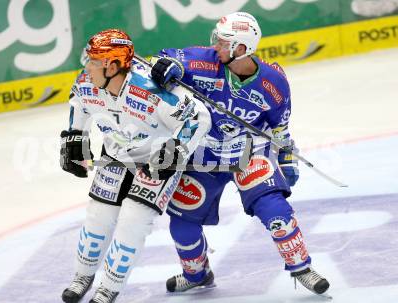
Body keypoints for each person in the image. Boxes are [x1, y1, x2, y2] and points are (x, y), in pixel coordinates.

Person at [149, 12, 330, 296]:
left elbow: (280, 126)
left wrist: (285, 157)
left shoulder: (274, 82)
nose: (216, 47)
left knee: (276, 209)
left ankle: (301, 267)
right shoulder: (201, 60)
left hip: (247, 150)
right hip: (203, 153)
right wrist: (164, 67)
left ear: (242, 48)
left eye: (223, 43)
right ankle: (197, 274)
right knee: (182, 225)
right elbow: (164, 59)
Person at [59, 29, 211, 303]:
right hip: (117, 153)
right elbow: (78, 101)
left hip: (156, 161)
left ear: (113, 65)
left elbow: (198, 118)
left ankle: (108, 287)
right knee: (98, 215)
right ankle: (82, 275)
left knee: (133, 219)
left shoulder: (152, 89)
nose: (87, 67)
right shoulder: (87, 81)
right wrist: (74, 137)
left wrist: (177, 151)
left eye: (93, 61)